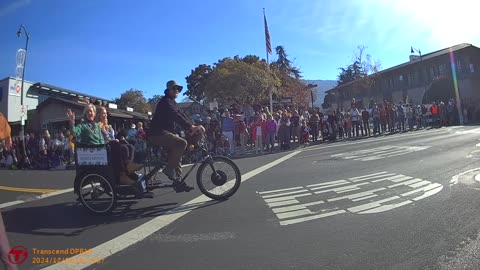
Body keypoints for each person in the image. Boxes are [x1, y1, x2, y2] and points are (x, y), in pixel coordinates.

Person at [148, 80, 203, 192]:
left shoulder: (174, 103)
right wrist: (190, 127)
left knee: (177, 154)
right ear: (168, 90)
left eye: (178, 89)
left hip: (166, 134)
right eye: (174, 88)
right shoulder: (166, 102)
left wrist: (193, 126)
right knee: (181, 143)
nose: (176, 91)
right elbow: (175, 115)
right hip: (157, 134)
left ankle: (178, 182)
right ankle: (169, 169)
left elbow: (182, 115)